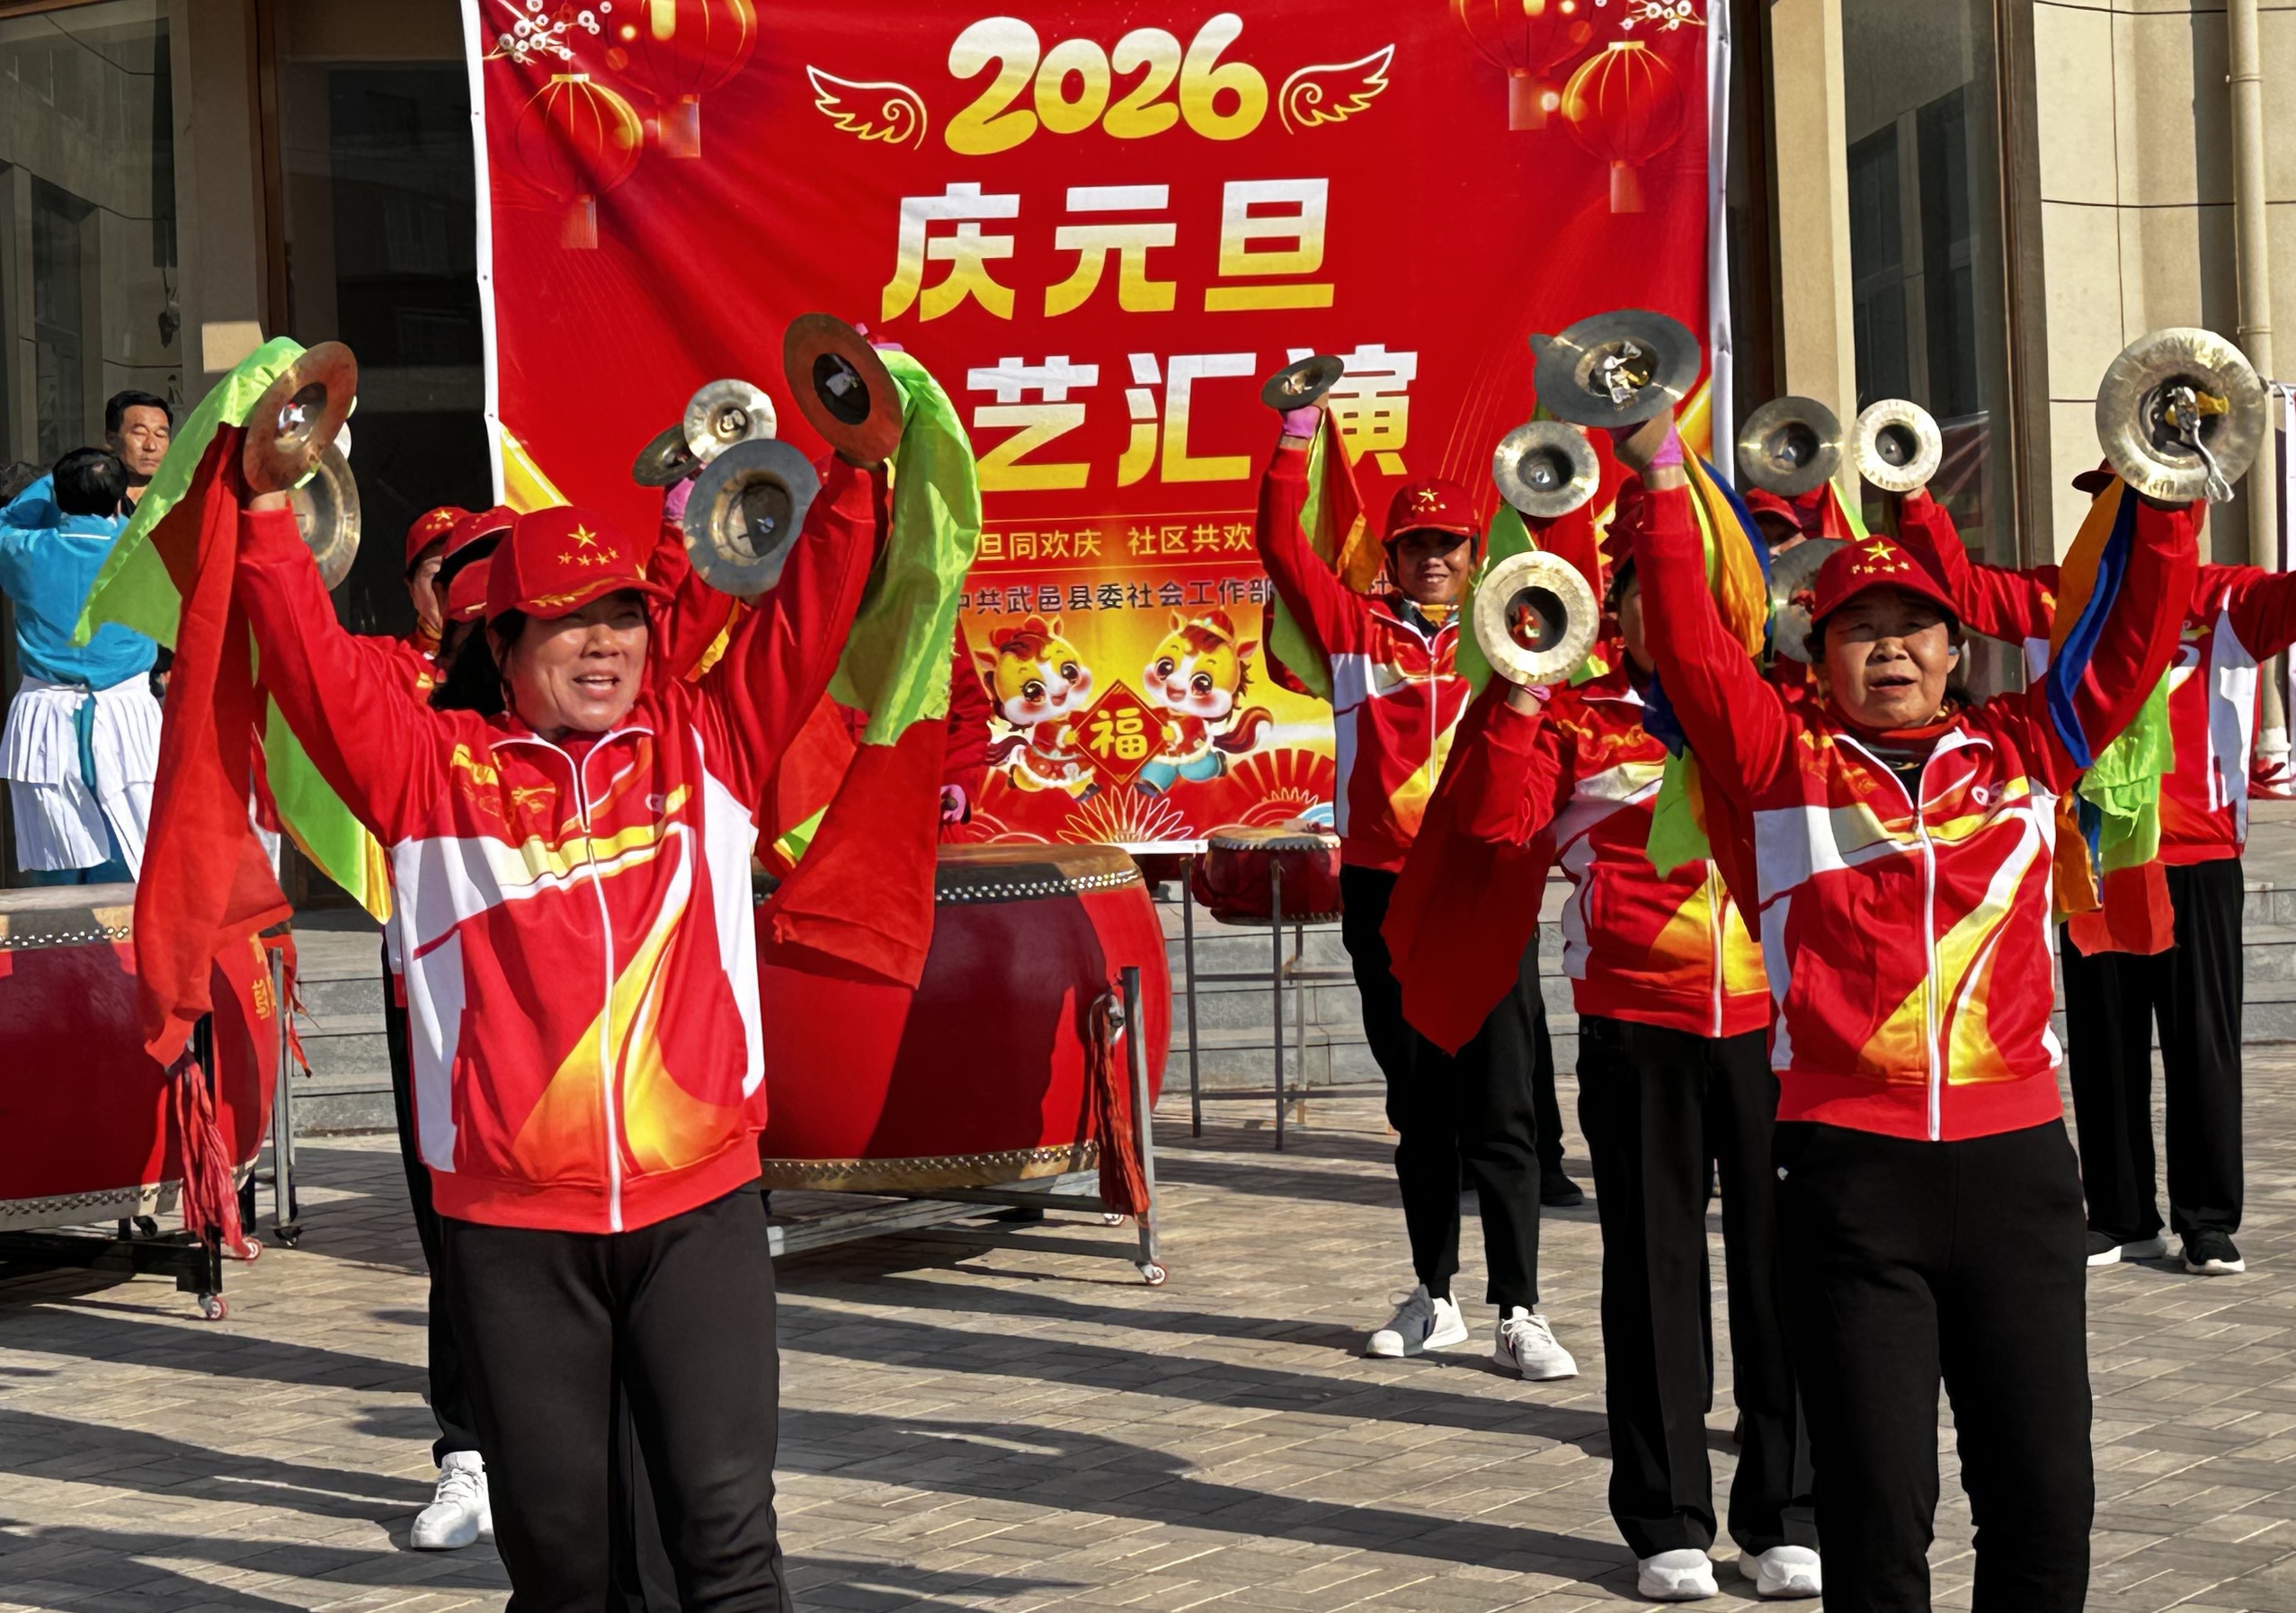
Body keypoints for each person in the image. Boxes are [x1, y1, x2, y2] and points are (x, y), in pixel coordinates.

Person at [236, 446, 886, 1609]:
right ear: (502, 643)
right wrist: (268, 506)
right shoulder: (428, 775)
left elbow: (809, 612)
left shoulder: (708, 745)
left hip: (698, 1215)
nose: (603, 643)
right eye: (568, 619)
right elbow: (304, 659)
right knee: (565, 1568)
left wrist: (858, 468)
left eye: (622, 616)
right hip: (513, 1235)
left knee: (728, 1546)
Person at [1623, 412, 2196, 1611]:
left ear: (1953, 647)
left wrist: (2166, 494)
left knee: (2042, 1498)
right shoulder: (1777, 766)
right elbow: (1687, 644)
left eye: (1912, 626)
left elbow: (2131, 639)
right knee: (1875, 1516)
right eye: (1858, 629)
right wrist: (1664, 481)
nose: (1888, 646)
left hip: (2016, 1175)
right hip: (1849, 1183)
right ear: (1818, 654)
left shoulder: (2027, 747)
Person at [1446, 555, 1818, 1601]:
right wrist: (1524, 685)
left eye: (1692, 585)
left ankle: (1786, 1514)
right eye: (1649, 589)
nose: (1673, 608)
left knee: (1784, 1268)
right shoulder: (1579, 719)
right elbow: (1493, 824)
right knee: (1653, 1274)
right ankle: (1666, 1522)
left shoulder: (1779, 712)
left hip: (1775, 1026)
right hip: (1635, 1026)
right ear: (1616, 611)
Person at [1892, 465, 2294, 1278]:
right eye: (2113, 496)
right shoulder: (2057, 601)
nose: (2125, 512)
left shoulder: (2229, 600)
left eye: (2146, 496)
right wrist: (1912, 495)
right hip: (2093, 854)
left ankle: (2208, 1221)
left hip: (2194, 859)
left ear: (2189, 506)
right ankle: (2120, 1214)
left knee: (2203, 1047)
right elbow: (1957, 587)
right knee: (2106, 1044)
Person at [1253, 400, 1575, 1379]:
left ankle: (1520, 1310)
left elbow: (1574, 574)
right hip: (1385, 893)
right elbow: (1279, 542)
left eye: (1449, 544)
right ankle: (1433, 1297)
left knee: (1503, 1112)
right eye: (1416, 545)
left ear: (1477, 555)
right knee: (1420, 1108)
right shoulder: (1352, 629)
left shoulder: (1515, 637)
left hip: (1484, 894)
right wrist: (1295, 435)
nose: (1434, 558)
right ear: (1389, 558)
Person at [362, 504, 501, 1554]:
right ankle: (468, 1454)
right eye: (439, 570)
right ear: (412, 583)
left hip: (547, 989)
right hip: (427, 986)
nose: (456, 586)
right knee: (453, 1235)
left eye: (478, 568)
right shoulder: (384, 676)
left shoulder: (535, 681)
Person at [0, 448, 160, 883]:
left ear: (60, 497)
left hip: (46, 725)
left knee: (57, 875)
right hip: (130, 723)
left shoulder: (24, 551)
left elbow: (8, 522)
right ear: (118, 501)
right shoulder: (145, 551)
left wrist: (50, 485)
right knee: (135, 867)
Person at [107, 390, 173, 505]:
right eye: (140, 433)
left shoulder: (179, 498)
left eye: (160, 434)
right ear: (111, 437)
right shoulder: (89, 497)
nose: (151, 446)